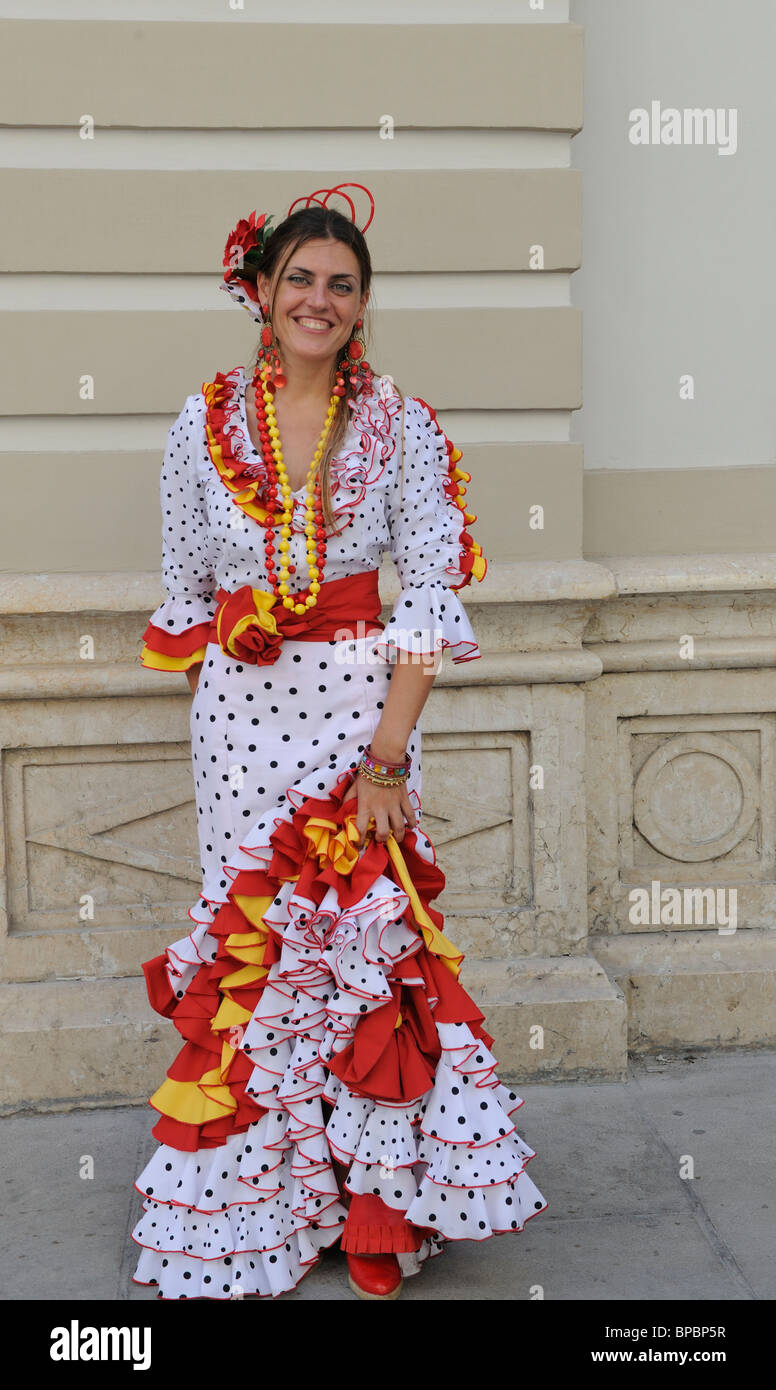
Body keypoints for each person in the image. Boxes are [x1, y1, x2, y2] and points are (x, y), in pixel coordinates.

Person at [131, 183, 547, 1301]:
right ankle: (262, 1209)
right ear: (259, 290)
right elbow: (183, 587)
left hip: (360, 718)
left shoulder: (400, 425)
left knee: (364, 947)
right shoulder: (200, 421)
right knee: (252, 953)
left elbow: (430, 597)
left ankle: (374, 1209)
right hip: (237, 726)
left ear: (362, 307)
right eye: (300, 279)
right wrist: (245, 626)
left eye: (342, 285)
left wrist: (385, 759)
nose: (319, 299)